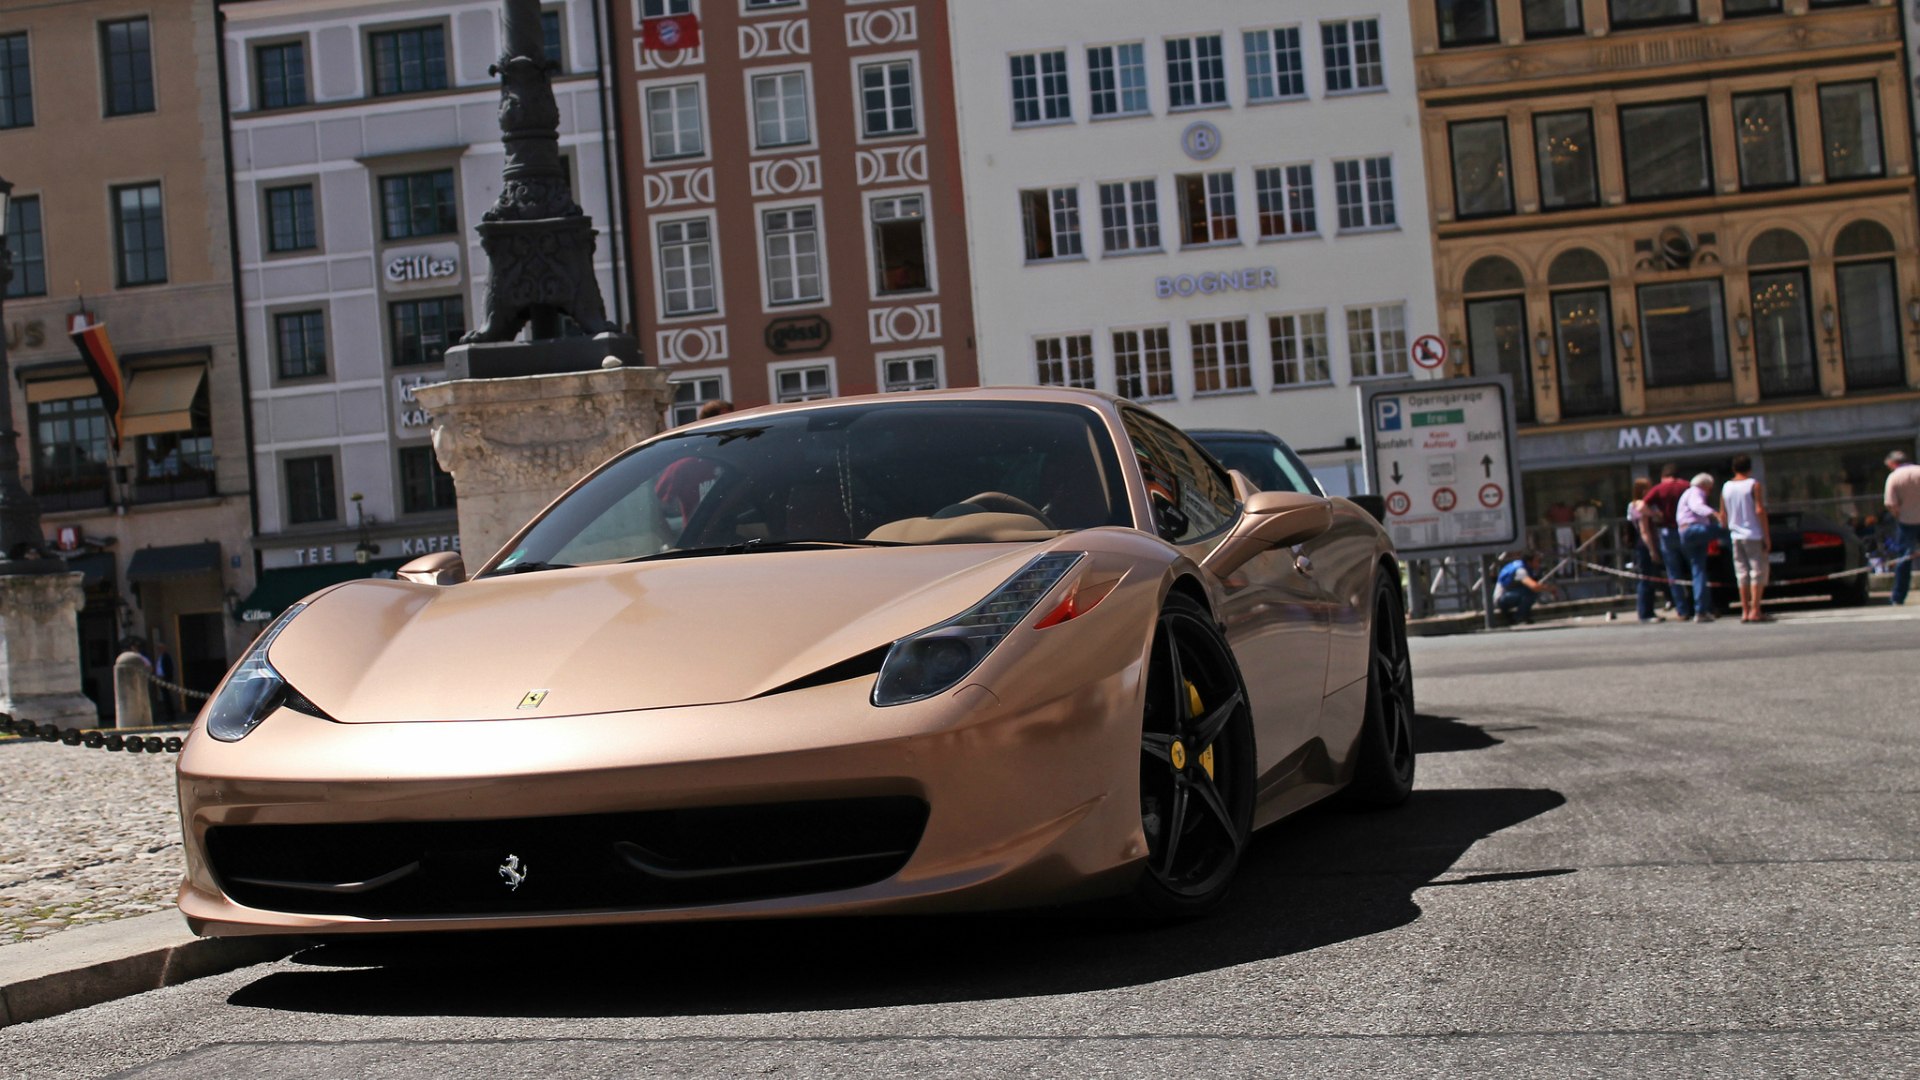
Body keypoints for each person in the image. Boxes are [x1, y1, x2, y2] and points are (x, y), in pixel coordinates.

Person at [1722, 455, 1772, 623]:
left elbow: (1723, 514)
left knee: (1741, 573)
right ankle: (1755, 609)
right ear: (1749, 468)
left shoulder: (1726, 487)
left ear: (1734, 469)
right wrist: (1766, 535)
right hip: (1753, 533)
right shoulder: (1753, 485)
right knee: (1757, 572)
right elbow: (1759, 510)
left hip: (1735, 534)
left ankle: (1744, 610)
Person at [1642, 464, 1694, 619]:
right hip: (1685, 530)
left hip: (1667, 532)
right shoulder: (1686, 486)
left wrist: (1654, 515)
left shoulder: (1659, 488)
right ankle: (1699, 607)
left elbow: (1641, 505)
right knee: (1694, 569)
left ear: (1664, 476)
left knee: (1673, 574)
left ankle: (1682, 610)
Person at [1676, 472, 1722, 623]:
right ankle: (1702, 608)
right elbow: (1697, 506)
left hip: (1684, 533)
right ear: (1705, 485)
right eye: (1709, 489)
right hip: (1694, 529)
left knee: (1698, 570)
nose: (1709, 492)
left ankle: (1702, 609)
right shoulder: (1696, 492)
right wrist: (1715, 514)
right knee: (1728, 530)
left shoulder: (1686, 493)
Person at [1885, 449, 1920, 605]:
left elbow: (1890, 503)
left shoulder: (1894, 477)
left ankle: (1899, 597)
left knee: (1904, 559)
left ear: (1893, 463)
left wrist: (1898, 515)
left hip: (1906, 522)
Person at [1627, 477, 1663, 623]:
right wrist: (1652, 550)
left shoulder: (1632, 506)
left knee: (1649, 578)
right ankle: (1645, 613)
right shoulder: (1642, 506)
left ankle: (1648, 610)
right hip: (1646, 544)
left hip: (1641, 544)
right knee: (1646, 578)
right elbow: (1645, 530)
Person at [1494, 550, 1557, 625]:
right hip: (1501, 598)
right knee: (1530, 592)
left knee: (1529, 591)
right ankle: (1520, 617)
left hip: (1510, 594)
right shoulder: (1521, 570)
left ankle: (1522, 615)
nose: (1539, 564)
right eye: (1537, 561)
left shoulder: (1522, 566)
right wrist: (1550, 589)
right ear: (1529, 562)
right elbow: (1534, 587)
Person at [149, 639, 179, 724]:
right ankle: (168, 714)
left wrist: (166, 678)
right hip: (161, 679)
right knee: (165, 698)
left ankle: (171, 715)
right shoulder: (161, 657)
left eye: (160, 648)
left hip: (165, 679)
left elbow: (169, 668)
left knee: (167, 698)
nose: (158, 650)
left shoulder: (166, 656)